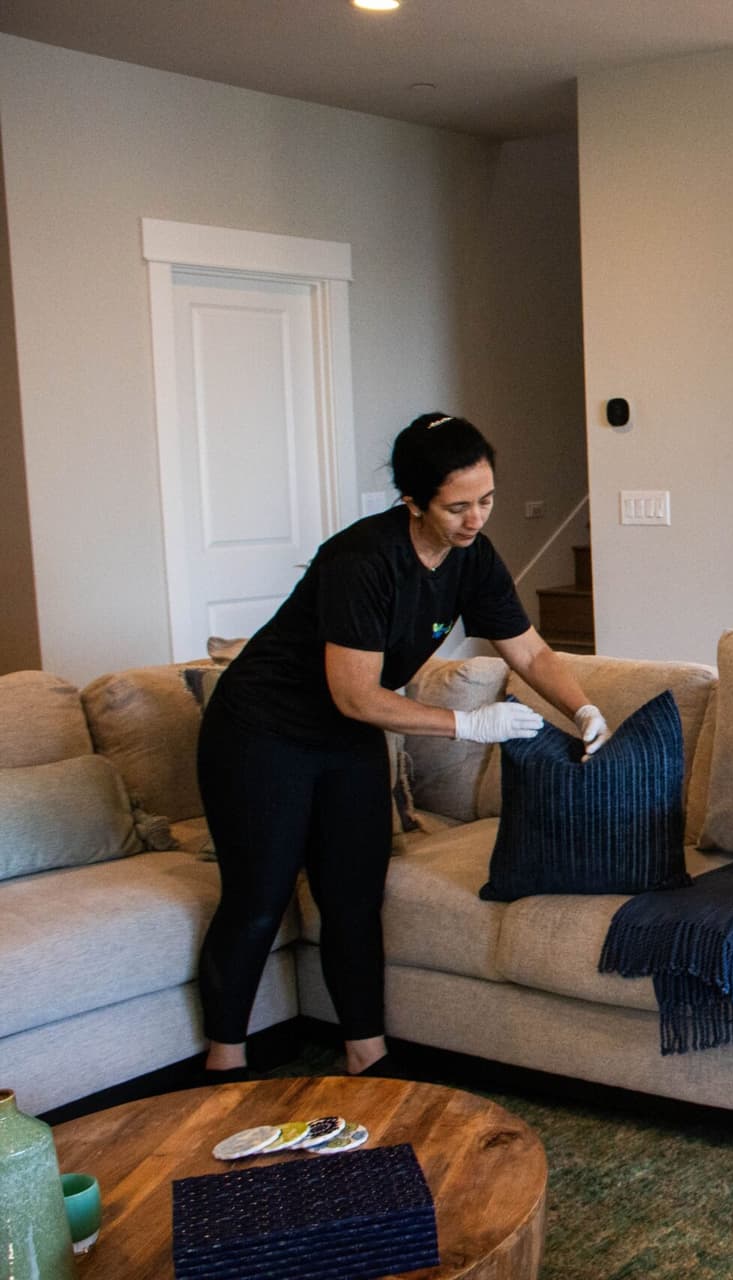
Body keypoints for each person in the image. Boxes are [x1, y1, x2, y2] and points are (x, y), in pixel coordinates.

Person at [196, 412, 610, 1078]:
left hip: (345, 737)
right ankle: (222, 1066)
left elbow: (528, 650)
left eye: (487, 499)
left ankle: (367, 1054)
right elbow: (356, 694)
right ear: (413, 502)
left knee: (354, 897)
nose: (476, 519)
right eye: (457, 507)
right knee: (259, 900)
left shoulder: (471, 554)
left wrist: (583, 705)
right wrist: (469, 726)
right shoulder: (363, 560)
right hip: (261, 734)